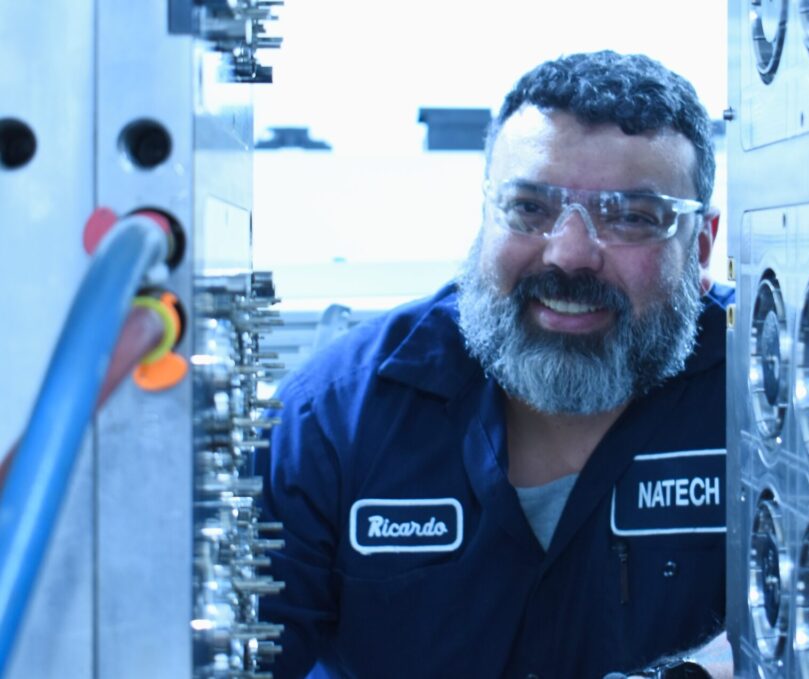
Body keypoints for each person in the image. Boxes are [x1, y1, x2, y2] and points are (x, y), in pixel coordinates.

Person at [256, 50, 734, 679]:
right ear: (485, 219)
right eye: (530, 208)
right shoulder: (330, 422)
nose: (569, 254)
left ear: (701, 248)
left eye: (631, 217)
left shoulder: (773, 391)